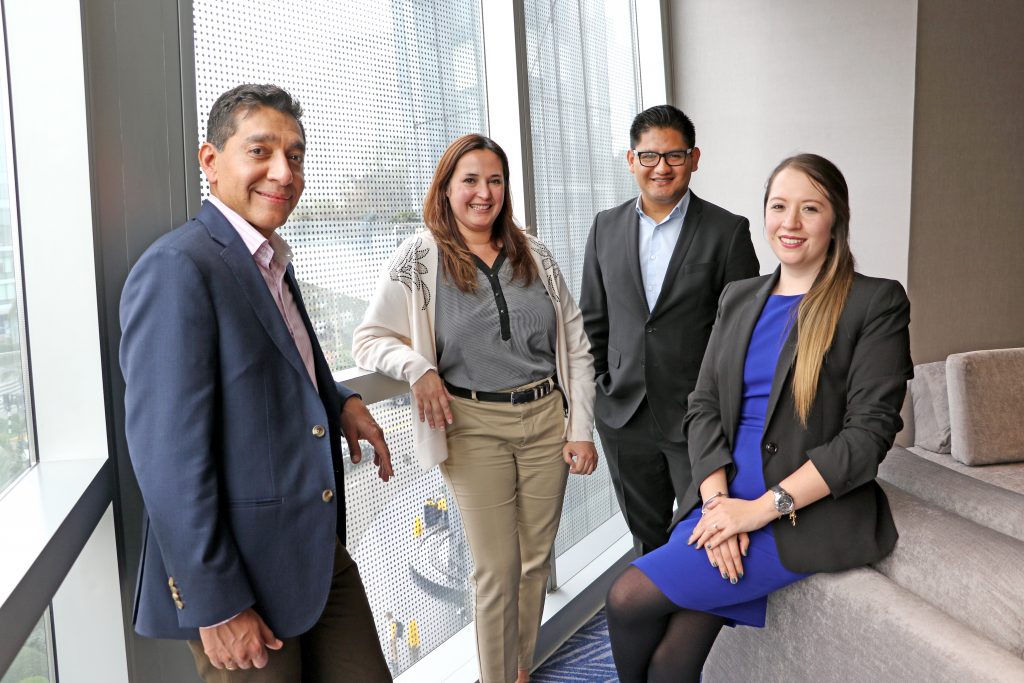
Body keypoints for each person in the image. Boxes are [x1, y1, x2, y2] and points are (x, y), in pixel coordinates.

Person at [120, 84, 393, 682]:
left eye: (295, 156)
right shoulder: (179, 269)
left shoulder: (266, 257)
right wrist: (216, 602)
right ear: (211, 162)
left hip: (314, 553)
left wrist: (340, 399)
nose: (283, 172)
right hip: (240, 580)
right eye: (261, 151)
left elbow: (293, 360)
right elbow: (167, 460)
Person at [604, 153, 913, 681]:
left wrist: (756, 513)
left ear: (835, 218)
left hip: (801, 509)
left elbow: (867, 437)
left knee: (628, 597)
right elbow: (702, 406)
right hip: (720, 495)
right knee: (674, 658)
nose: (790, 224)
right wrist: (719, 504)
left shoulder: (873, 302)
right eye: (779, 206)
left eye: (809, 208)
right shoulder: (739, 297)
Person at [353, 134, 597, 683]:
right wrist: (419, 369)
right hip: (473, 427)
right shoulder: (420, 257)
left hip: (544, 421)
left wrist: (580, 428)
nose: (484, 193)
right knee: (495, 569)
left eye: (494, 180)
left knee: (534, 562)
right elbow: (368, 339)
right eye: (470, 180)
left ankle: (520, 671)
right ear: (446, 188)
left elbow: (576, 348)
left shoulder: (534, 253)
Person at [580, 104, 759, 556]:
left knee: (707, 536)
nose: (662, 168)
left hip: (696, 419)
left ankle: (690, 623)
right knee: (648, 542)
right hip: (624, 416)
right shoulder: (605, 226)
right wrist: (601, 395)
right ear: (631, 160)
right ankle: (656, 623)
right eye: (649, 156)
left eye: (675, 156)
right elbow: (593, 321)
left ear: (694, 159)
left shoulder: (727, 231)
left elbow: (744, 334)